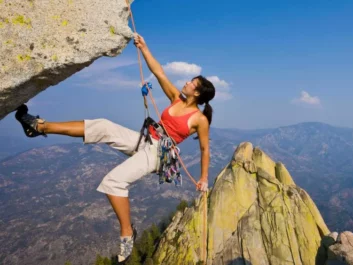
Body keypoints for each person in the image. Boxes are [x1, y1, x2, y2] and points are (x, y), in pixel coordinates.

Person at [14, 33, 215, 263]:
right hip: (144, 140)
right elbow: (159, 72)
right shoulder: (176, 99)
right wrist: (144, 48)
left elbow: (204, 149)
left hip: (157, 154)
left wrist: (204, 178)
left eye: (192, 83)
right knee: (103, 126)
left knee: (113, 182)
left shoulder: (199, 119)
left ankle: (127, 233)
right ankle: (40, 126)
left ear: (197, 93)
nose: (187, 82)